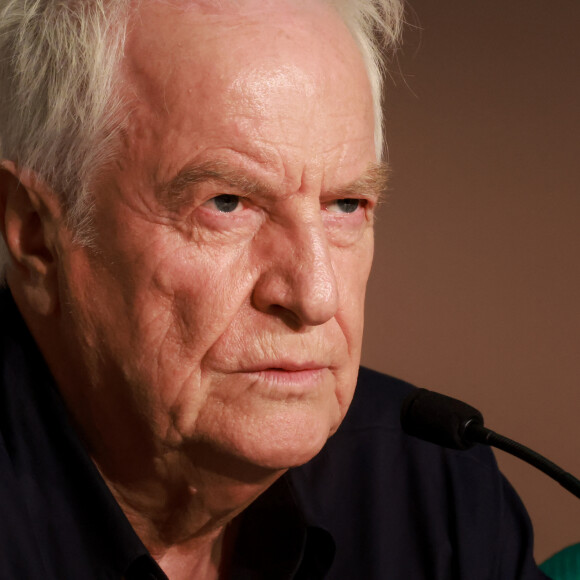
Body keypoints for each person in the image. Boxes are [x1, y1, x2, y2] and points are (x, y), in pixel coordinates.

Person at [0, 0, 548, 578]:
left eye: (345, 205)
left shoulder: (432, 486)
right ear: (37, 237)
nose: (315, 295)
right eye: (227, 203)